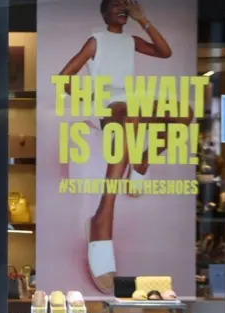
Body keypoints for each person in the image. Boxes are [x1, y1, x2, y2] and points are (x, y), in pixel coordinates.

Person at [57, 0, 192, 293]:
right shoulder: (97, 40)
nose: (121, 8)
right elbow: (64, 78)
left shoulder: (130, 40)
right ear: (104, 13)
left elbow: (165, 52)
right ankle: (102, 220)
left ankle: (142, 161)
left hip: (130, 103)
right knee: (129, 113)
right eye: (114, 5)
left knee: (184, 113)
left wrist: (143, 20)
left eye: (125, 5)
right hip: (106, 106)